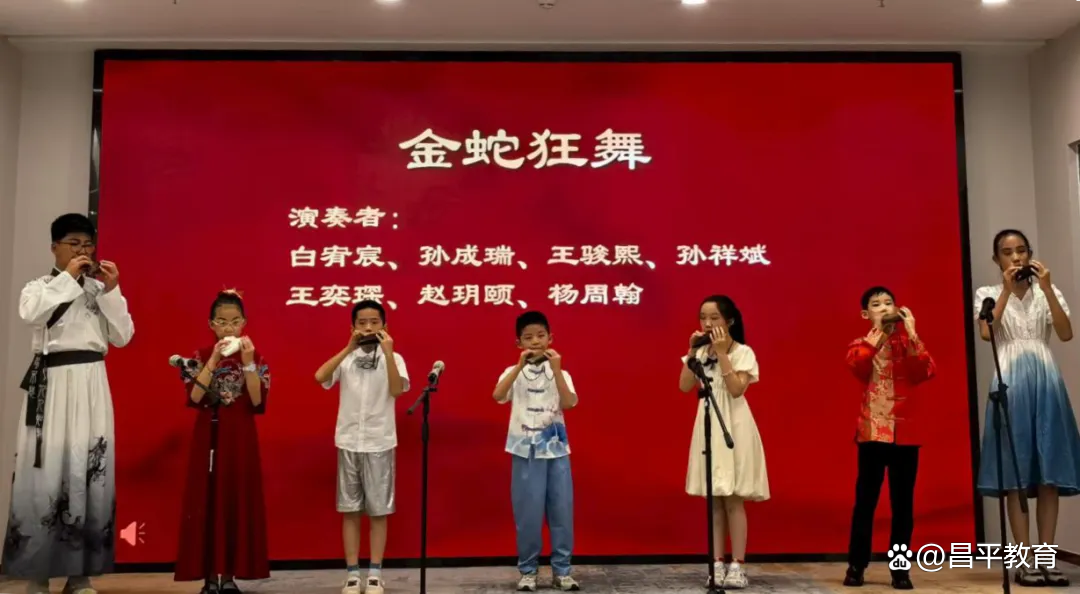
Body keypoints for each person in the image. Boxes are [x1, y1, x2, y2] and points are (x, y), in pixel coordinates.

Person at [2, 213, 134, 594]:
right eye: (73, 244)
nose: (82, 251)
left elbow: (123, 336)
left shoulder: (98, 291)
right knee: (44, 474)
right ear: (54, 248)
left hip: (92, 383)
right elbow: (31, 314)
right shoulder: (39, 287)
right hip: (53, 384)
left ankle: (80, 576)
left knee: (89, 471)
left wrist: (111, 291)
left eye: (87, 244)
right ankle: (37, 576)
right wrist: (68, 279)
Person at [975, 229, 1080, 588]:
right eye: (1007, 252)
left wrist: (1047, 288)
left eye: (1021, 250)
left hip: (1046, 380)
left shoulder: (1048, 292)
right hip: (1010, 383)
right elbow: (987, 333)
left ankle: (1047, 560)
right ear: (997, 259)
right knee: (1015, 476)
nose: (1016, 257)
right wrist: (1006, 290)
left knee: (1049, 475)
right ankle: (1023, 562)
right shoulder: (988, 294)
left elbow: (1065, 333)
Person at [174, 290, 271, 593]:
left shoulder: (255, 357)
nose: (229, 328)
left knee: (234, 500)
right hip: (209, 437)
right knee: (207, 501)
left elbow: (257, 400)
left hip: (240, 439)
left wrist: (248, 364)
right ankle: (208, 579)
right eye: (222, 321)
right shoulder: (201, 355)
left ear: (244, 323)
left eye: (235, 321)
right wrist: (214, 359)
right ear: (211, 324)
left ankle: (229, 577)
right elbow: (195, 396)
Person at [841, 287, 935, 590]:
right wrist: (880, 335)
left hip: (906, 433)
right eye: (876, 305)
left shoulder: (908, 343)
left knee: (903, 505)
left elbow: (924, 371)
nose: (884, 308)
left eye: (888, 303)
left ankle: (900, 569)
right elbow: (858, 366)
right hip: (873, 431)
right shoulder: (861, 344)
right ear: (865, 314)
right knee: (865, 502)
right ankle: (856, 565)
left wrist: (912, 332)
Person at [314, 300, 408, 594]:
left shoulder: (395, 358)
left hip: (380, 441)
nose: (368, 328)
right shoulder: (347, 358)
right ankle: (353, 574)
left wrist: (388, 353)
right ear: (353, 327)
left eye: (374, 322)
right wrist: (348, 348)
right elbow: (320, 377)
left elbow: (397, 389)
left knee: (378, 511)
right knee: (351, 510)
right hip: (349, 440)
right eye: (362, 323)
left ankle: (375, 573)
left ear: (385, 326)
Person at [679, 295, 768, 590]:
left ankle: (737, 565)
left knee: (734, 498)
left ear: (729, 321)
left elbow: (736, 390)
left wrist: (722, 354)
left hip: (735, 426)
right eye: (703, 317)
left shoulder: (743, 352)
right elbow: (684, 385)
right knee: (714, 499)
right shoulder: (700, 352)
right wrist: (692, 351)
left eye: (714, 317)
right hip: (708, 426)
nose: (707, 323)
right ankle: (716, 563)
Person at [493, 311, 581, 592]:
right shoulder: (512, 372)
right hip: (524, 451)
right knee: (527, 515)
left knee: (561, 512)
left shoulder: (561, 372)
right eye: (528, 337)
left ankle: (562, 571)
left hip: (556, 450)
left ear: (550, 338)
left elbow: (570, 402)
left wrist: (557, 369)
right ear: (519, 342)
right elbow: (497, 395)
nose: (535, 342)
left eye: (541, 336)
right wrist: (518, 367)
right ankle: (528, 571)